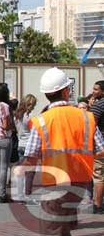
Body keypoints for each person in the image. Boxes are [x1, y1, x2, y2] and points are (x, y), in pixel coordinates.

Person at [21, 68, 104, 235]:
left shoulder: (42, 120)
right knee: (64, 226)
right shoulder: (86, 117)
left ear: (46, 94)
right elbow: (101, 150)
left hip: (55, 184)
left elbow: (30, 157)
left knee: (52, 229)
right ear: (66, 91)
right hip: (81, 182)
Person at [13, 94, 37, 202]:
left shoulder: (16, 116)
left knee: (20, 172)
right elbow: (34, 131)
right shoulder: (30, 117)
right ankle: (28, 195)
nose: (34, 107)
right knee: (30, 172)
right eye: (34, 105)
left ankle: (19, 195)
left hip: (20, 144)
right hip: (29, 146)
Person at [88, 80, 104, 213]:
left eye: (96, 89)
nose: (93, 91)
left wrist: (89, 108)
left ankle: (97, 204)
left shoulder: (98, 106)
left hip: (100, 145)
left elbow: (90, 124)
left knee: (98, 175)